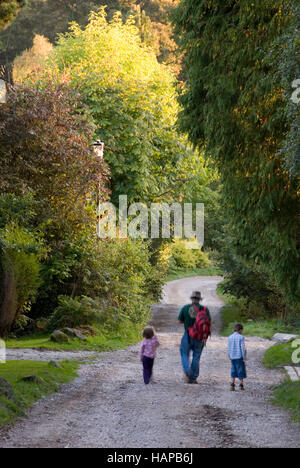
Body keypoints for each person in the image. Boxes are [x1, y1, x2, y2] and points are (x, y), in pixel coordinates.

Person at [178, 291, 211, 384]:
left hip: (188, 335)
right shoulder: (204, 309)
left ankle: (187, 370)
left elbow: (179, 321)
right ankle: (193, 378)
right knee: (196, 356)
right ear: (199, 299)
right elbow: (209, 323)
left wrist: (188, 321)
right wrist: (205, 336)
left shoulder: (185, 308)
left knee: (184, 354)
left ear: (192, 299)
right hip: (200, 337)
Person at [228, 323, 247, 391]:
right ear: (240, 330)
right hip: (239, 357)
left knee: (233, 370)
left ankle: (232, 385)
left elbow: (229, 347)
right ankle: (241, 385)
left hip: (232, 356)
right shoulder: (241, 337)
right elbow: (242, 348)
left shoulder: (230, 337)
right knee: (240, 370)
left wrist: (229, 355)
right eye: (242, 330)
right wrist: (244, 357)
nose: (242, 332)